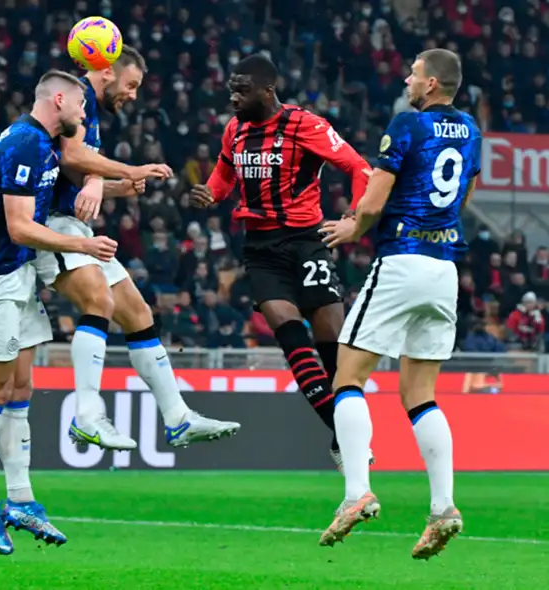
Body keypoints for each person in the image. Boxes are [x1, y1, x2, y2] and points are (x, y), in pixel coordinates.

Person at [317, 49, 480, 559]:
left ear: (431, 84)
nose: (406, 79)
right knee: (420, 394)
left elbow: (374, 196)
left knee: (348, 377)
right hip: (443, 268)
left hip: (402, 259)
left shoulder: (407, 126)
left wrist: (352, 227)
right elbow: (465, 193)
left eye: (413, 73)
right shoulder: (472, 130)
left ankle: (355, 493)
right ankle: (443, 507)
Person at [34, 47, 240, 450]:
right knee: (98, 299)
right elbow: (72, 156)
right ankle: (87, 415)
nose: (132, 96)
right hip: (46, 223)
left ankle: (178, 418)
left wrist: (115, 186)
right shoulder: (77, 101)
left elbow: (74, 179)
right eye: (130, 86)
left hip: (69, 218)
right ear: (107, 73)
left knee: (138, 312)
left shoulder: (89, 110)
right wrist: (129, 170)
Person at [0, 70, 116, 556]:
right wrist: (81, 244)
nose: (86, 116)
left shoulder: (43, 145)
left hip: (19, 280)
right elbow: (20, 227)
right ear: (59, 100)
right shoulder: (25, 144)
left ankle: (21, 499)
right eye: (81, 107)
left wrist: (128, 178)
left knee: (22, 388)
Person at [190, 54, 373, 469]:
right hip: (261, 248)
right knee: (290, 335)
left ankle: (343, 433)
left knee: (331, 345)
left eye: (242, 90)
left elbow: (359, 168)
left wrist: (353, 218)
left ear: (267, 90)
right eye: (231, 89)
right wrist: (210, 193)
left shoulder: (305, 125)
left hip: (306, 242)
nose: (233, 97)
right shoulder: (234, 130)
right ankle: (345, 433)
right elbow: (223, 175)